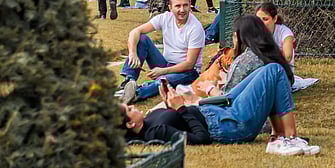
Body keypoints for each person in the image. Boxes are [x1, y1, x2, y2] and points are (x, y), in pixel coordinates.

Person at [120, 63, 318, 155]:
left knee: (266, 71)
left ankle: (279, 135)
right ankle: (288, 138)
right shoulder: (156, 131)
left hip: (216, 109)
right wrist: (180, 109)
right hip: (227, 124)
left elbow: (178, 112)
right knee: (274, 71)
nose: (133, 106)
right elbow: (201, 138)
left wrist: (168, 100)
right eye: (129, 109)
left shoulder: (148, 121)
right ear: (130, 123)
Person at [118, 0, 206, 102]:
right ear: (170, 8)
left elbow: (189, 64)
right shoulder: (164, 18)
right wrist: (132, 53)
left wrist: (162, 71)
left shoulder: (195, 28)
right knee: (142, 38)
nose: (182, 10)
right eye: (178, 6)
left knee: (163, 81)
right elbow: (135, 31)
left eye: (185, 5)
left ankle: (135, 94)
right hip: (166, 63)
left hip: (188, 72)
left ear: (190, 6)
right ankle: (128, 81)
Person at [224, 14, 294, 94]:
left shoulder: (242, 62)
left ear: (237, 36)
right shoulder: (276, 55)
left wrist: (210, 88)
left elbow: (228, 98)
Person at [255, 2, 297, 68]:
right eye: (258, 19)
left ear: (275, 19)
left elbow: (287, 57)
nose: (261, 23)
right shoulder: (255, 32)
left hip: (280, 71)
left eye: (265, 19)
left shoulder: (285, 33)